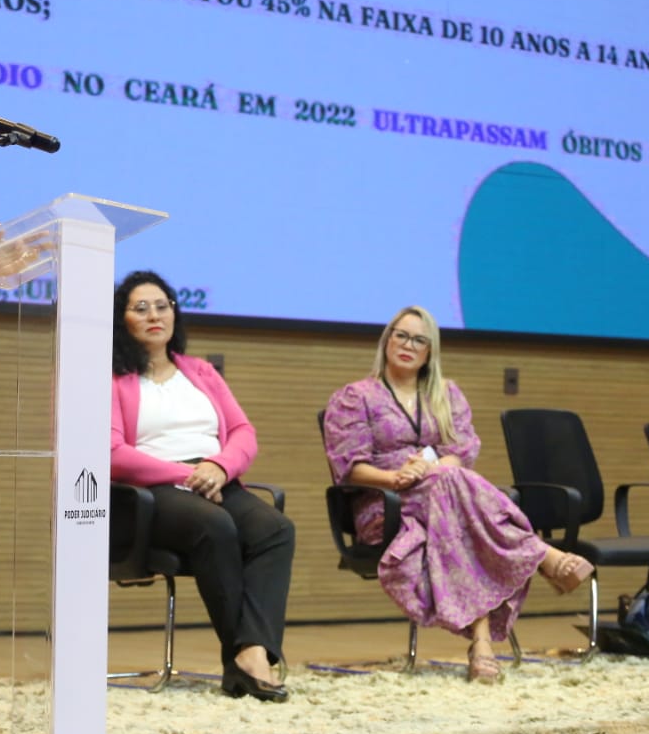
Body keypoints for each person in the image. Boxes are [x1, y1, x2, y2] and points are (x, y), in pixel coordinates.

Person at [322, 306, 593, 682]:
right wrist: (397, 477)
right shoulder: (355, 397)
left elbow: (461, 450)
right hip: (385, 505)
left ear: (430, 352)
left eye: (420, 339)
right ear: (387, 340)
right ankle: (542, 554)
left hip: (445, 497)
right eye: (401, 335)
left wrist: (434, 469)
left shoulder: (446, 394)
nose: (408, 344)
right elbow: (349, 467)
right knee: (465, 507)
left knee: (455, 504)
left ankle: (482, 645)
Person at [110, 270, 296, 702]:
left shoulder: (201, 371)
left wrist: (218, 467)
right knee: (216, 526)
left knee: (275, 530)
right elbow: (113, 451)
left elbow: (243, 432)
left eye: (163, 305)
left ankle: (247, 655)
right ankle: (249, 658)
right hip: (154, 493)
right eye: (141, 308)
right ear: (122, 320)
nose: (155, 314)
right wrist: (186, 475)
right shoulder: (114, 378)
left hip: (215, 479)